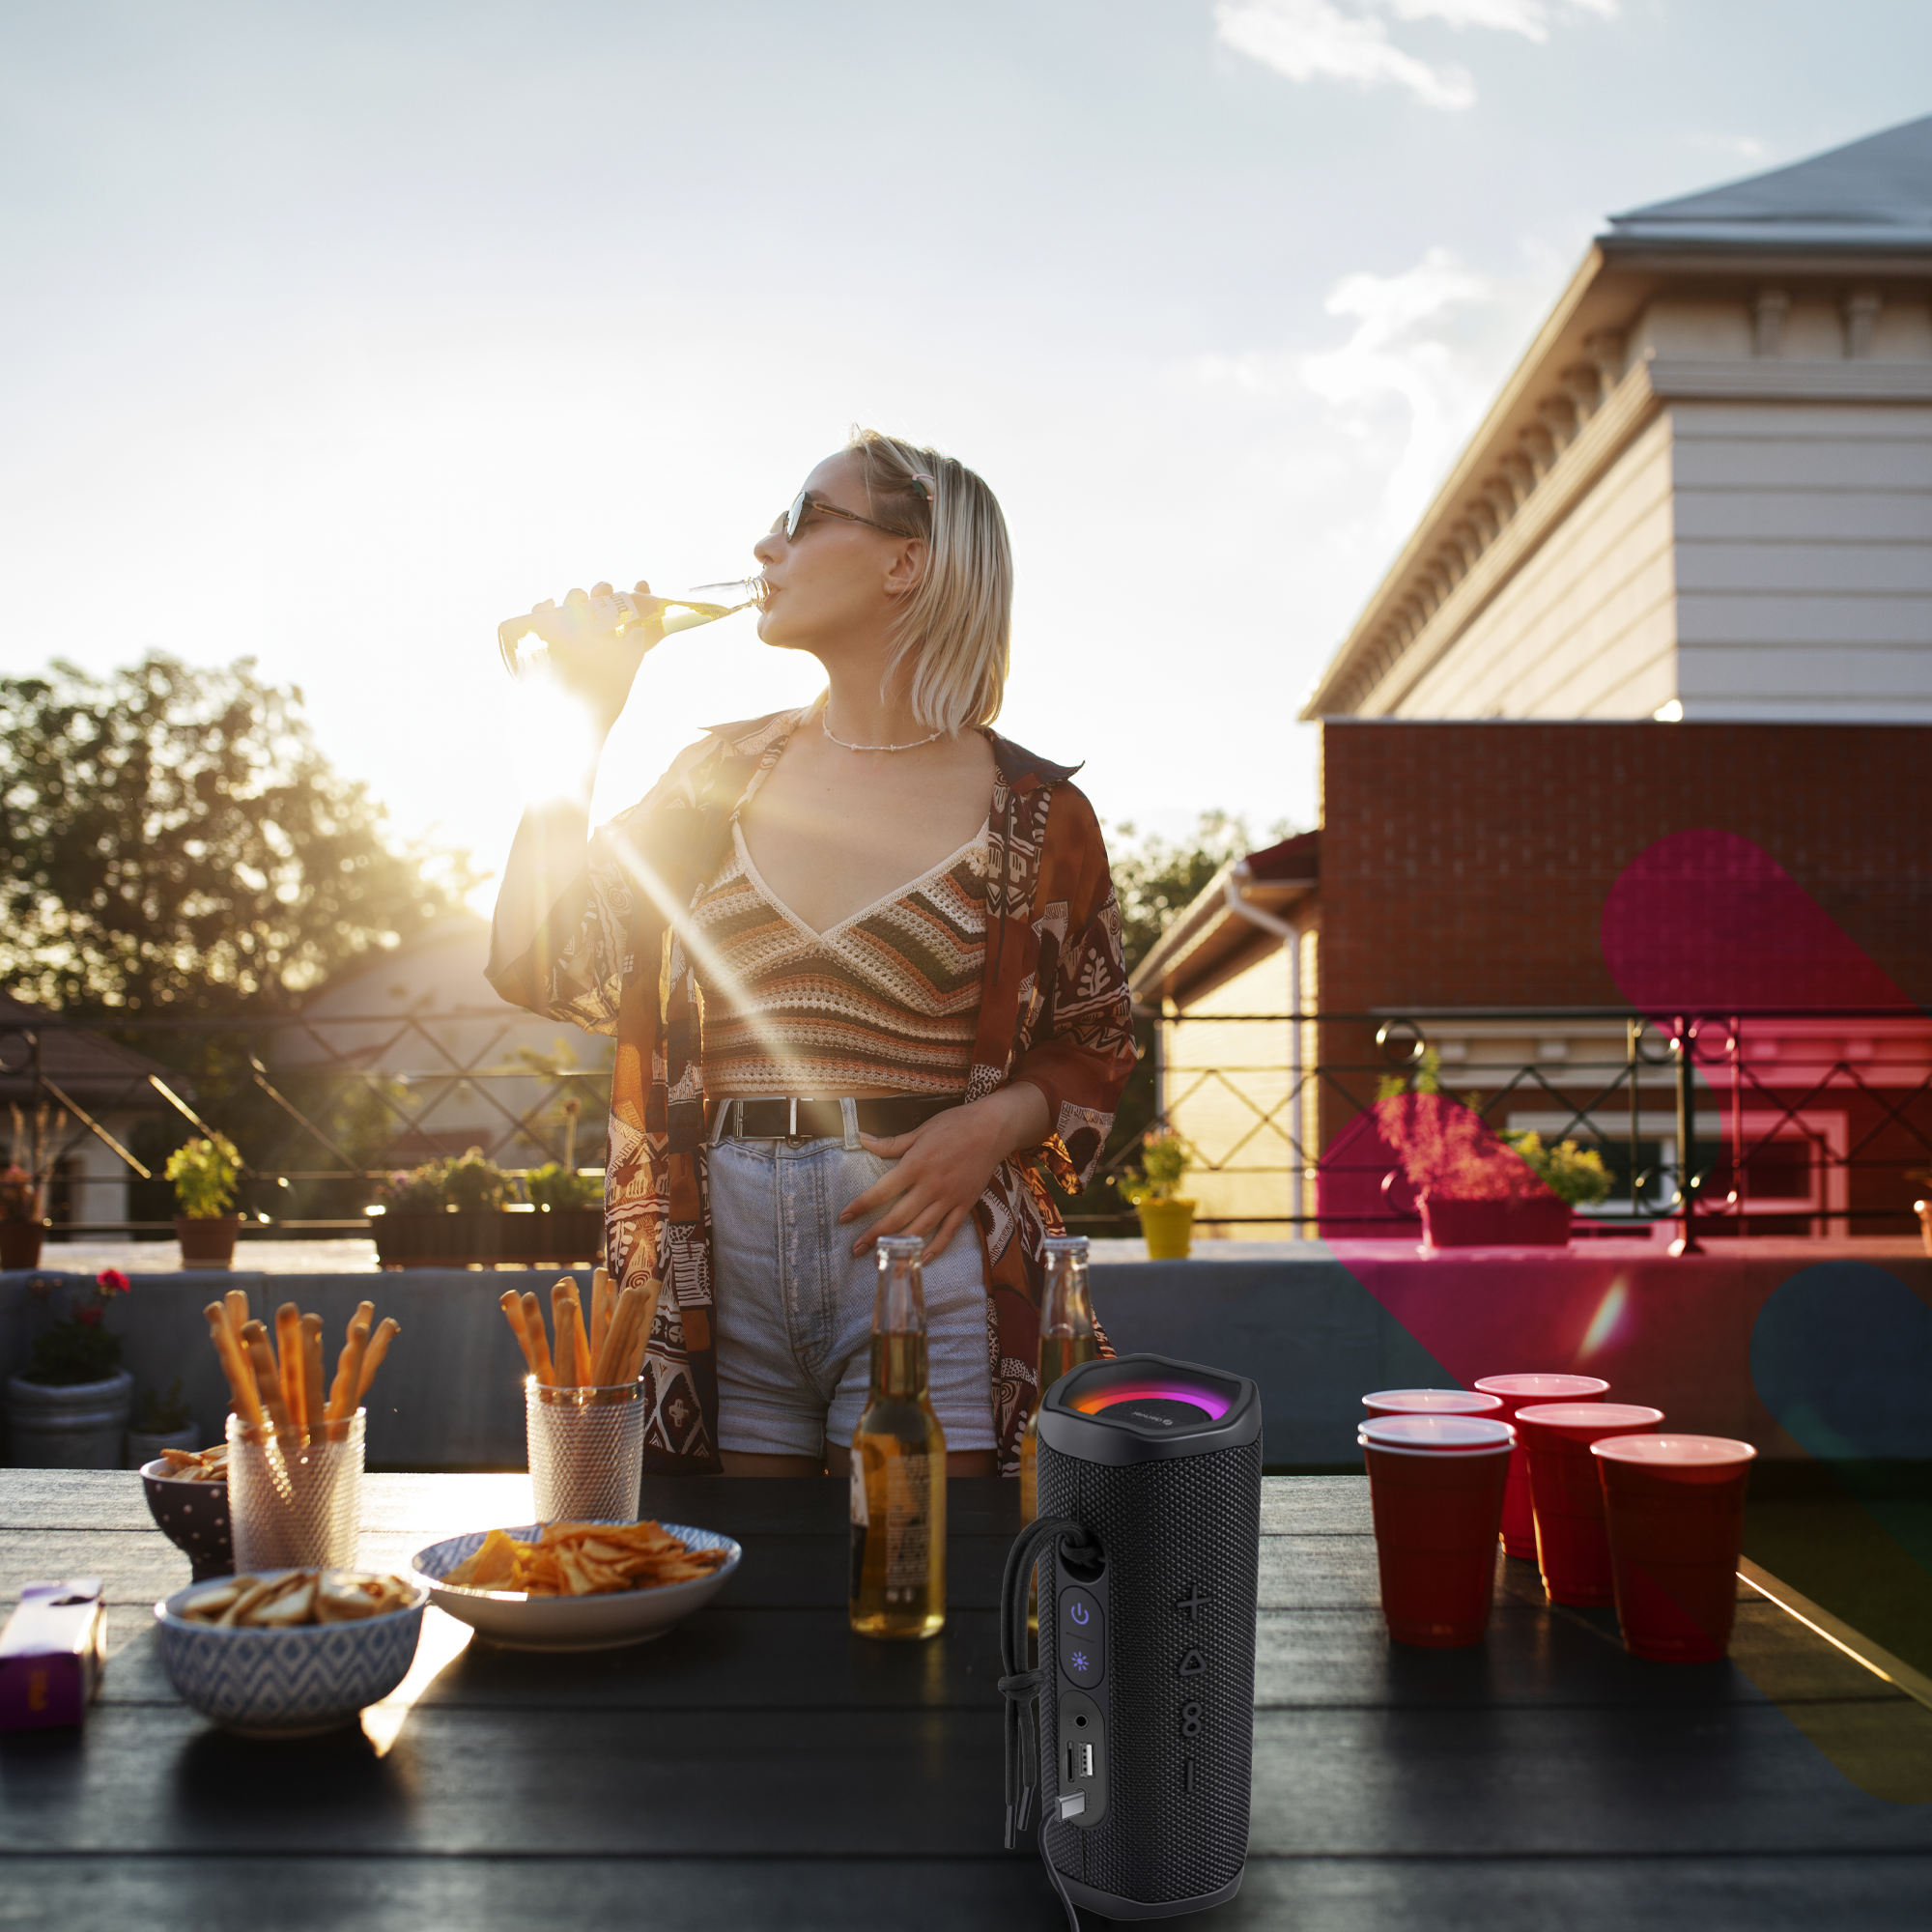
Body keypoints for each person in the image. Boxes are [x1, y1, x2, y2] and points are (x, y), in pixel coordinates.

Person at [489, 429, 1136, 1478]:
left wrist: (992, 1124)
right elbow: (548, 958)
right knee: (750, 1574)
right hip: (718, 1267)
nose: (764, 546)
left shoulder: (1036, 813)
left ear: (906, 562)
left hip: (926, 1262)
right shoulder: (714, 775)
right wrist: (580, 724)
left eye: (803, 518)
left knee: (921, 1570)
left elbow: (1096, 1042)